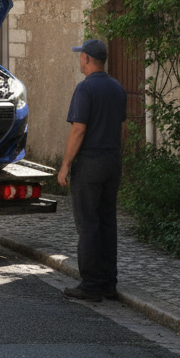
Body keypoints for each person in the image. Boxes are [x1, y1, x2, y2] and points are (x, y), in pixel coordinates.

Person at [57, 38, 128, 302]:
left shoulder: (84, 89)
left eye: (81, 57)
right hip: (112, 160)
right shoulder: (117, 88)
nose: (80, 61)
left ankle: (91, 285)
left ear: (87, 59)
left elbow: (78, 129)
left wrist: (65, 166)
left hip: (90, 163)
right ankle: (109, 283)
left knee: (88, 223)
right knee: (108, 222)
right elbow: (122, 128)